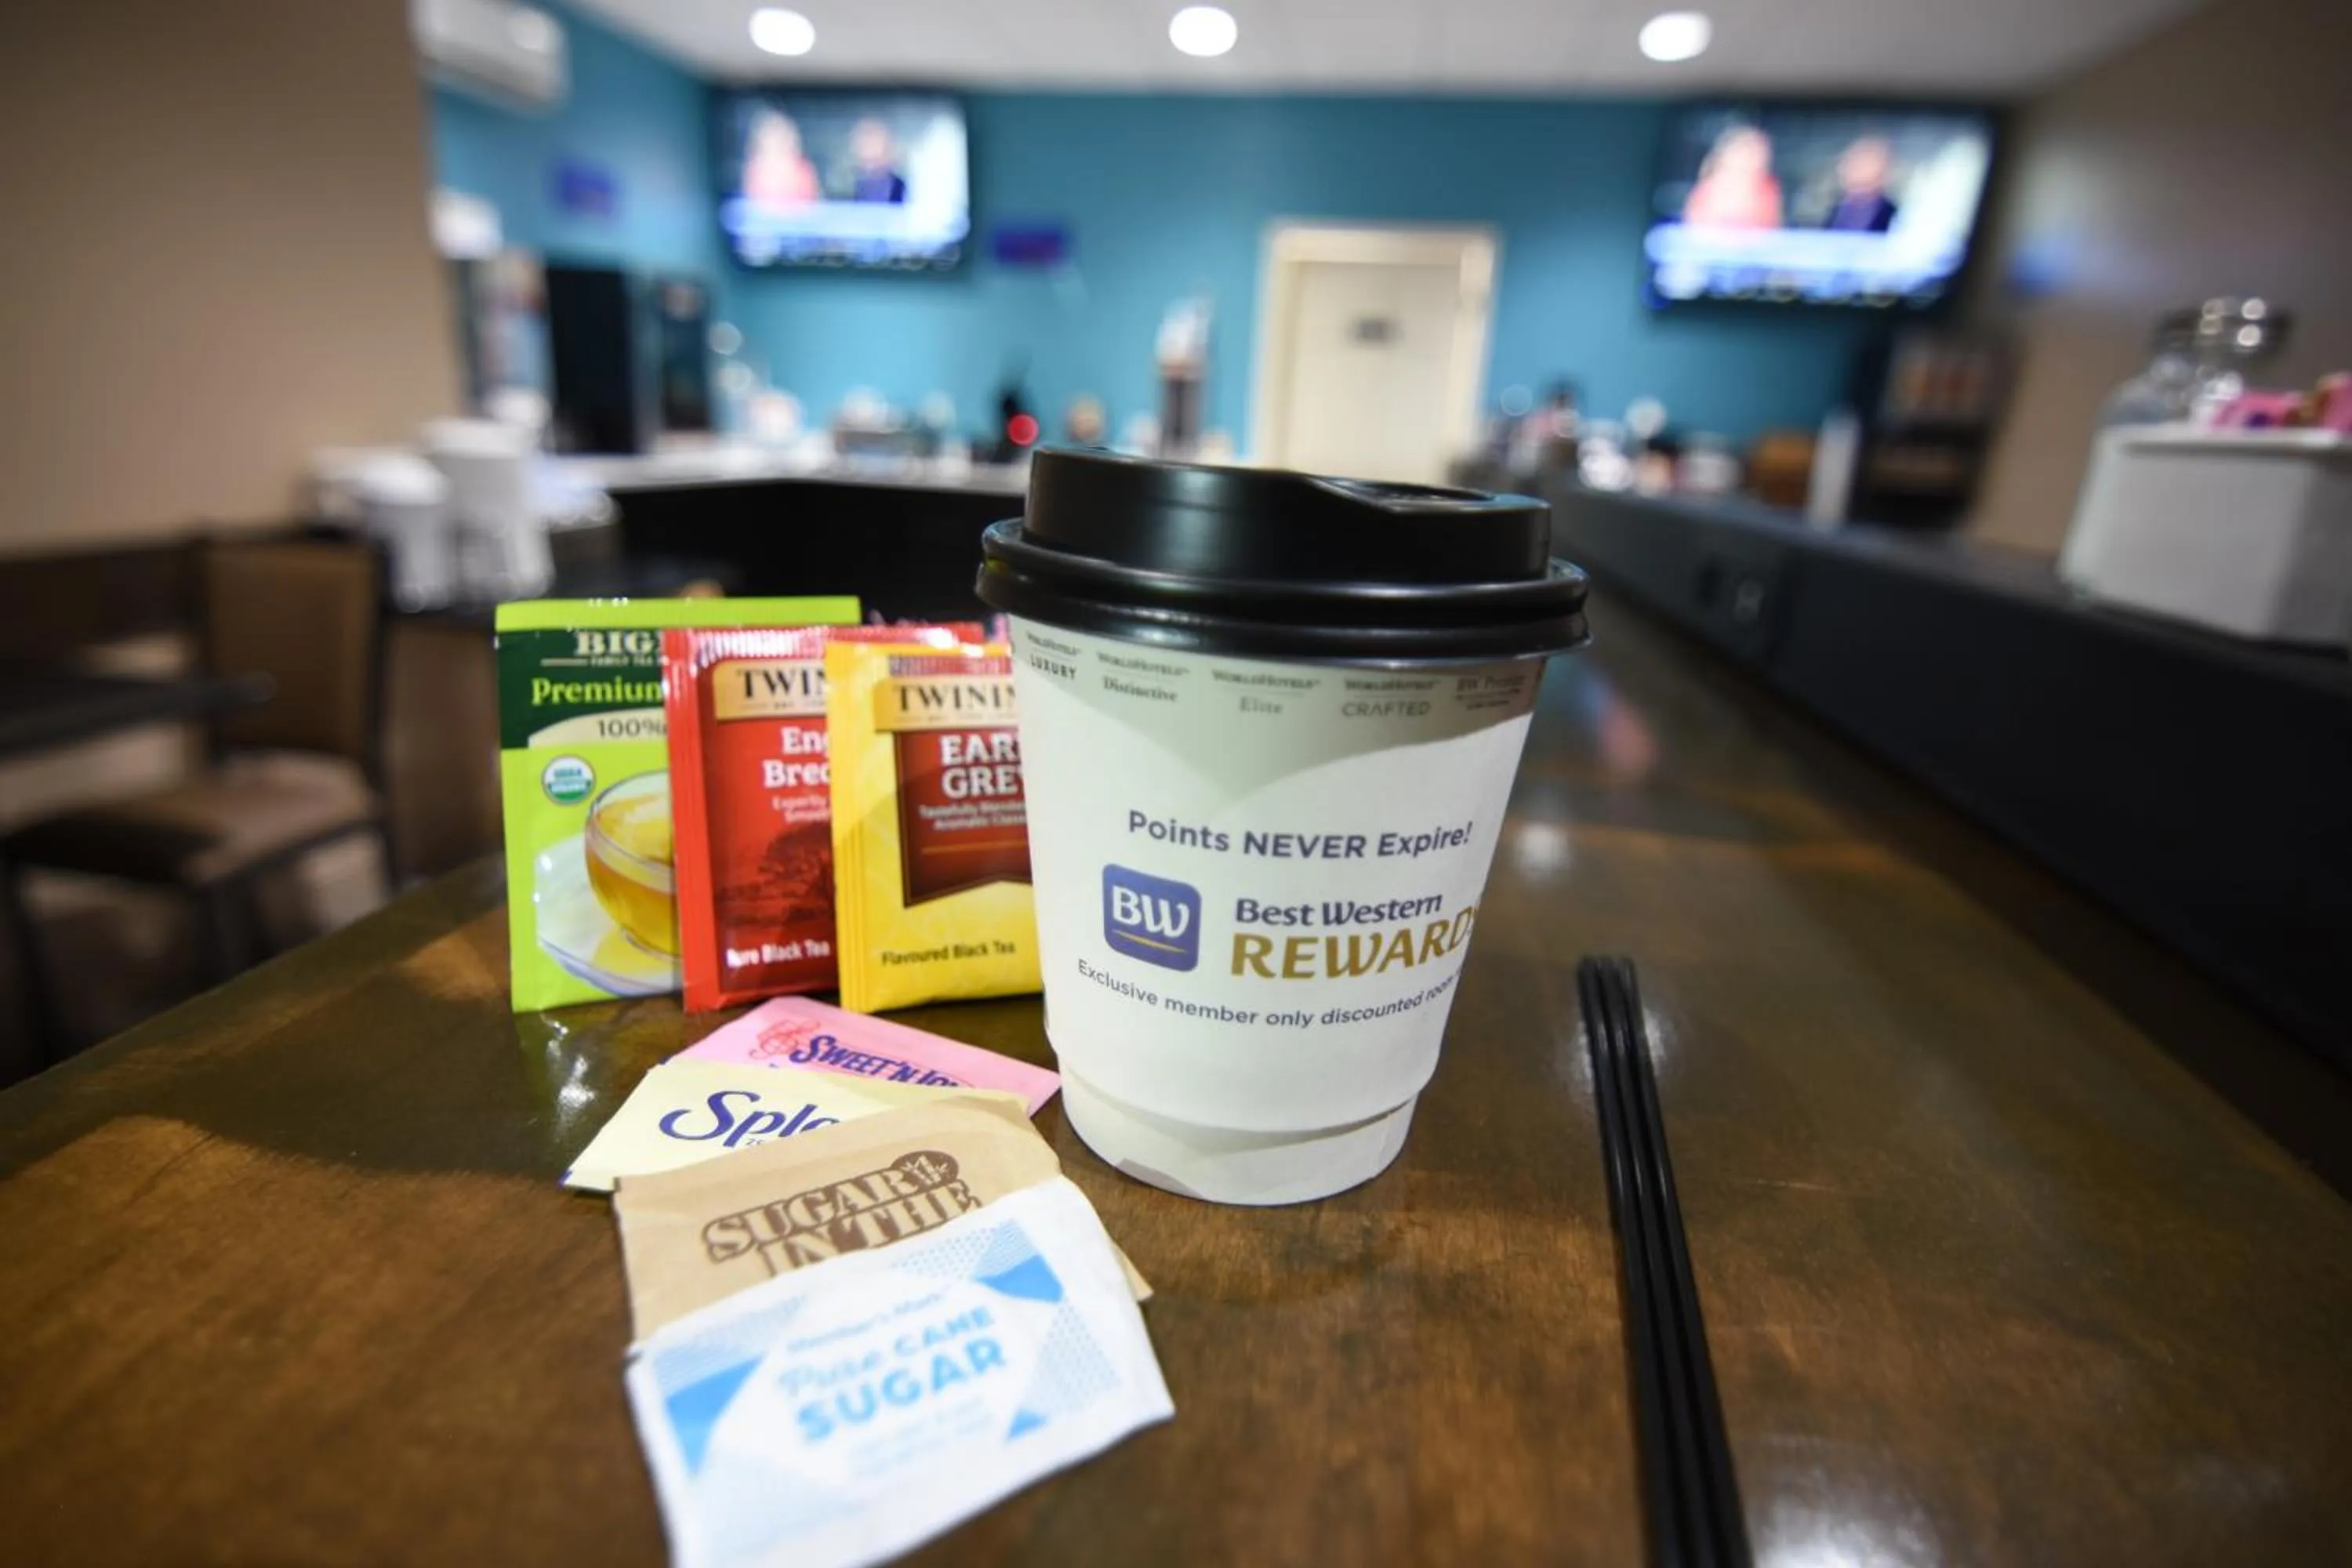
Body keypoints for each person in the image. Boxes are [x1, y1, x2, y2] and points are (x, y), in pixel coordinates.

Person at [1681, 126, 1782, 230]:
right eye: (1746, 151)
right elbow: (1695, 228)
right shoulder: (1708, 190)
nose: (1755, 159)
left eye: (1761, 153)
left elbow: (1769, 229)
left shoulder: (1768, 190)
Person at [742, 109, 818, 208]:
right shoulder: (754, 170)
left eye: (782, 136)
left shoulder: (803, 169)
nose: (776, 143)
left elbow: (813, 206)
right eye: (771, 137)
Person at [1824, 136, 1900, 233]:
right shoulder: (1830, 211)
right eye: (1850, 160)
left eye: (1862, 163)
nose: (1850, 167)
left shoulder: (1893, 216)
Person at [848, 118, 909, 205]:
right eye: (864, 137)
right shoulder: (846, 187)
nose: (867, 143)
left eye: (871, 136)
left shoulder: (906, 189)